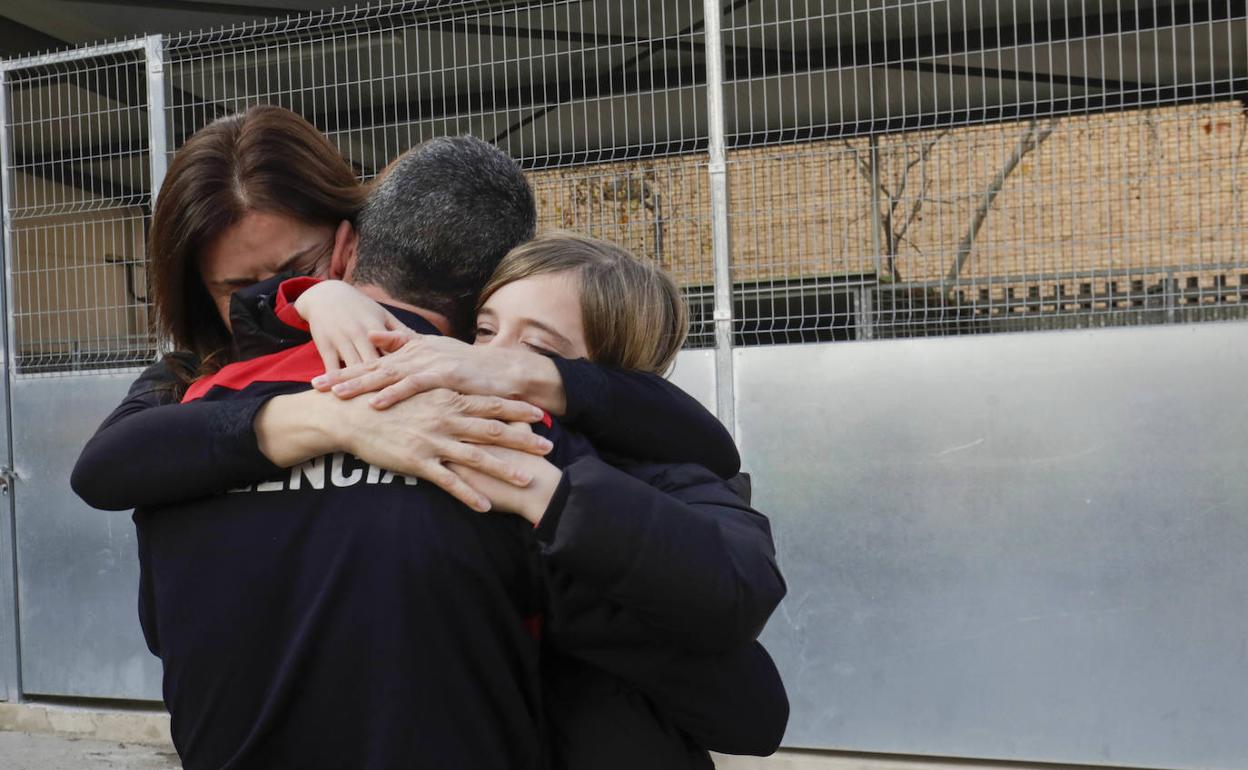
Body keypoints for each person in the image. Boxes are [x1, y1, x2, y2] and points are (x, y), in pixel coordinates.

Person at [75, 134, 786, 768]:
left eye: (297, 268)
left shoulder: (196, 423)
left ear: (350, 246)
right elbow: (745, 701)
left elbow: (165, 630)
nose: (496, 359)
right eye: (237, 288)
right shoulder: (515, 441)